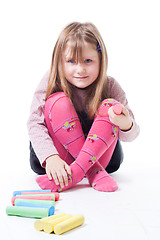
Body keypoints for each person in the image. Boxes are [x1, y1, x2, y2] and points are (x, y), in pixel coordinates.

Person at [27, 22, 140, 193]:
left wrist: (126, 124)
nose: (80, 69)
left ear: (101, 61)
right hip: (58, 162)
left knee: (110, 106)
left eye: (88, 61)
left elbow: (132, 134)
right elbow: (34, 122)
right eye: (71, 61)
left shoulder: (110, 85)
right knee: (59, 102)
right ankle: (93, 172)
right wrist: (50, 157)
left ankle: (78, 173)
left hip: (103, 159)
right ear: (59, 62)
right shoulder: (52, 80)